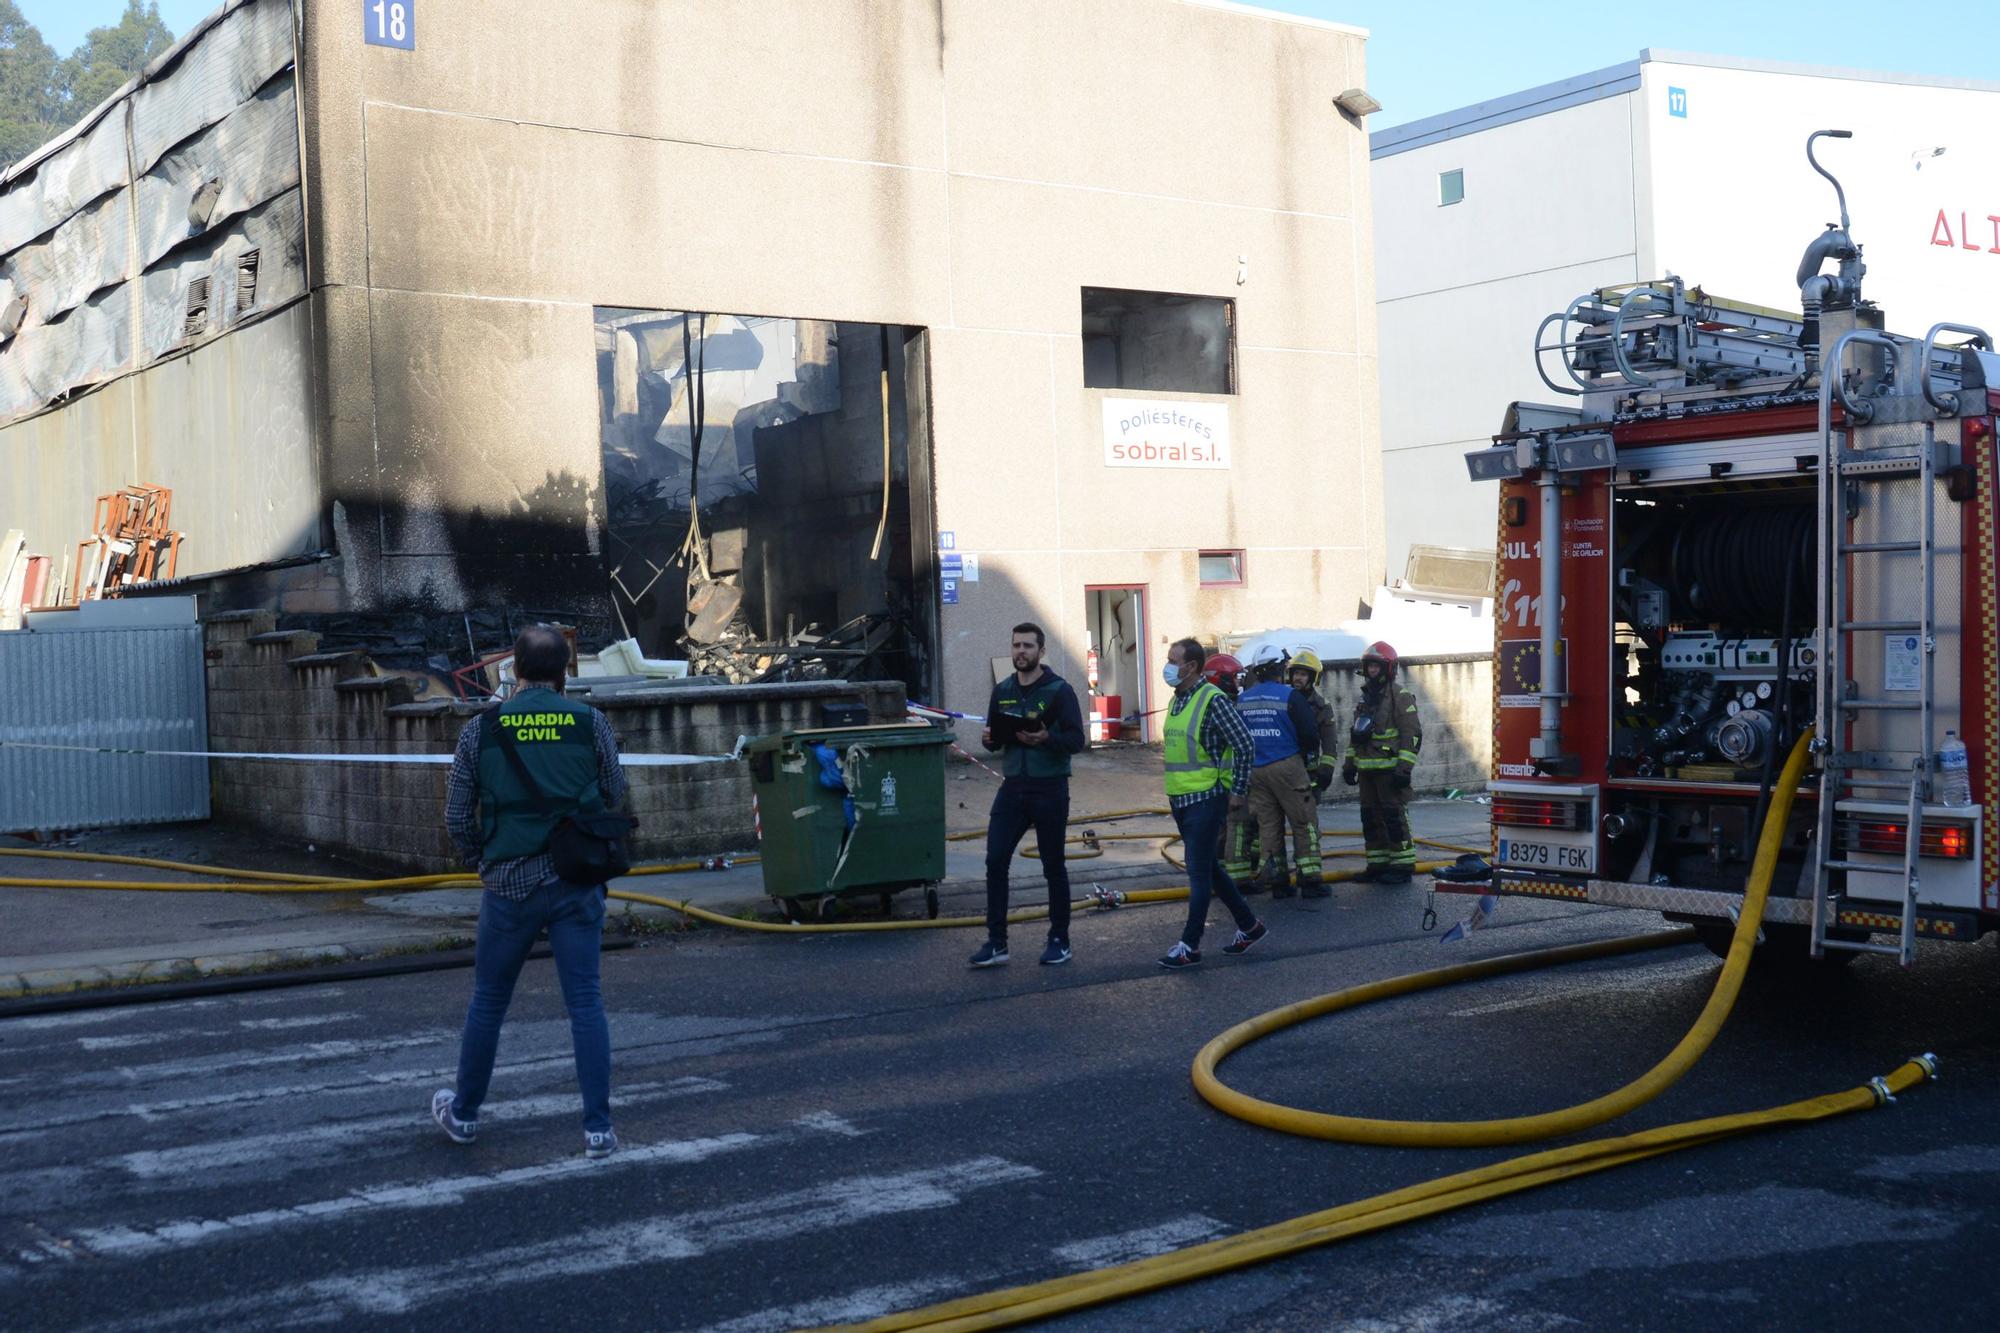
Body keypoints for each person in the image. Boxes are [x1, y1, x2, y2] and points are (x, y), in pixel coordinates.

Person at [437, 624, 628, 1159]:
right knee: (586, 1005)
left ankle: (465, 1114)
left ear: (514, 671)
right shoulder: (591, 723)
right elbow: (615, 791)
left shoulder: (482, 729)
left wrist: (482, 858)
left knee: (489, 1003)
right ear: (566, 671)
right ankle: (597, 1130)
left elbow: (456, 815)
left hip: (508, 887)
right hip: (575, 882)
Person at [969, 622, 1086, 968]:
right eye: (1016, 645)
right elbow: (997, 735)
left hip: (1050, 788)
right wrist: (990, 741)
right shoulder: (1002, 689)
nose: (1020, 652)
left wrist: (1046, 740)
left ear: (1041, 651)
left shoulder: (1059, 690)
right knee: (994, 860)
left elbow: (1076, 741)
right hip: (1013, 788)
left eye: (1027, 646)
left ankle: (1059, 939)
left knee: (1053, 866)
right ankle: (997, 942)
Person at [1159, 637, 1268, 968]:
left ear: (1191, 667)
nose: (1168, 666)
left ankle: (1189, 945)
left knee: (1198, 872)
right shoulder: (1177, 699)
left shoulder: (1213, 700)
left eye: (1173, 660)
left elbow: (1245, 744)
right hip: (1181, 798)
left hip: (1206, 799)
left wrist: (1238, 790)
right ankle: (1250, 926)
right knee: (1210, 868)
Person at [1237, 648, 1325, 897]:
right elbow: (1309, 733)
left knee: (1268, 826)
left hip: (1257, 770)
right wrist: (1310, 765)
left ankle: (1278, 883)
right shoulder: (1290, 696)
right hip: (1287, 766)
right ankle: (1310, 881)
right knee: (1303, 821)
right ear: (1279, 669)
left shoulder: (1244, 699)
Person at [1341, 639, 1423, 884]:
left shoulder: (1400, 696)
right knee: (1370, 817)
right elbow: (1356, 735)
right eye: (1369, 667)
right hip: (1367, 771)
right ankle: (1377, 863)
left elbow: (1413, 734)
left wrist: (1404, 769)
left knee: (1394, 817)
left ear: (1388, 668)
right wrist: (1349, 764)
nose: (1372, 671)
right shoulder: (1365, 700)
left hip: (1390, 772)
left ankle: (1402, 865)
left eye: (1377, 666)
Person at [1205, 653, 1262, 890]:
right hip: (1227, 783)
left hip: (1215, 783)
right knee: (1237, 829)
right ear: (1222, 679)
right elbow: (1243, 745)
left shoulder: (1205, 702)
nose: (1239, 683)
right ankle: (1236, 879)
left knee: (1222, 833)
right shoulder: (1221, 706)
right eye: (1235, 678)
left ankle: (1219, 877)